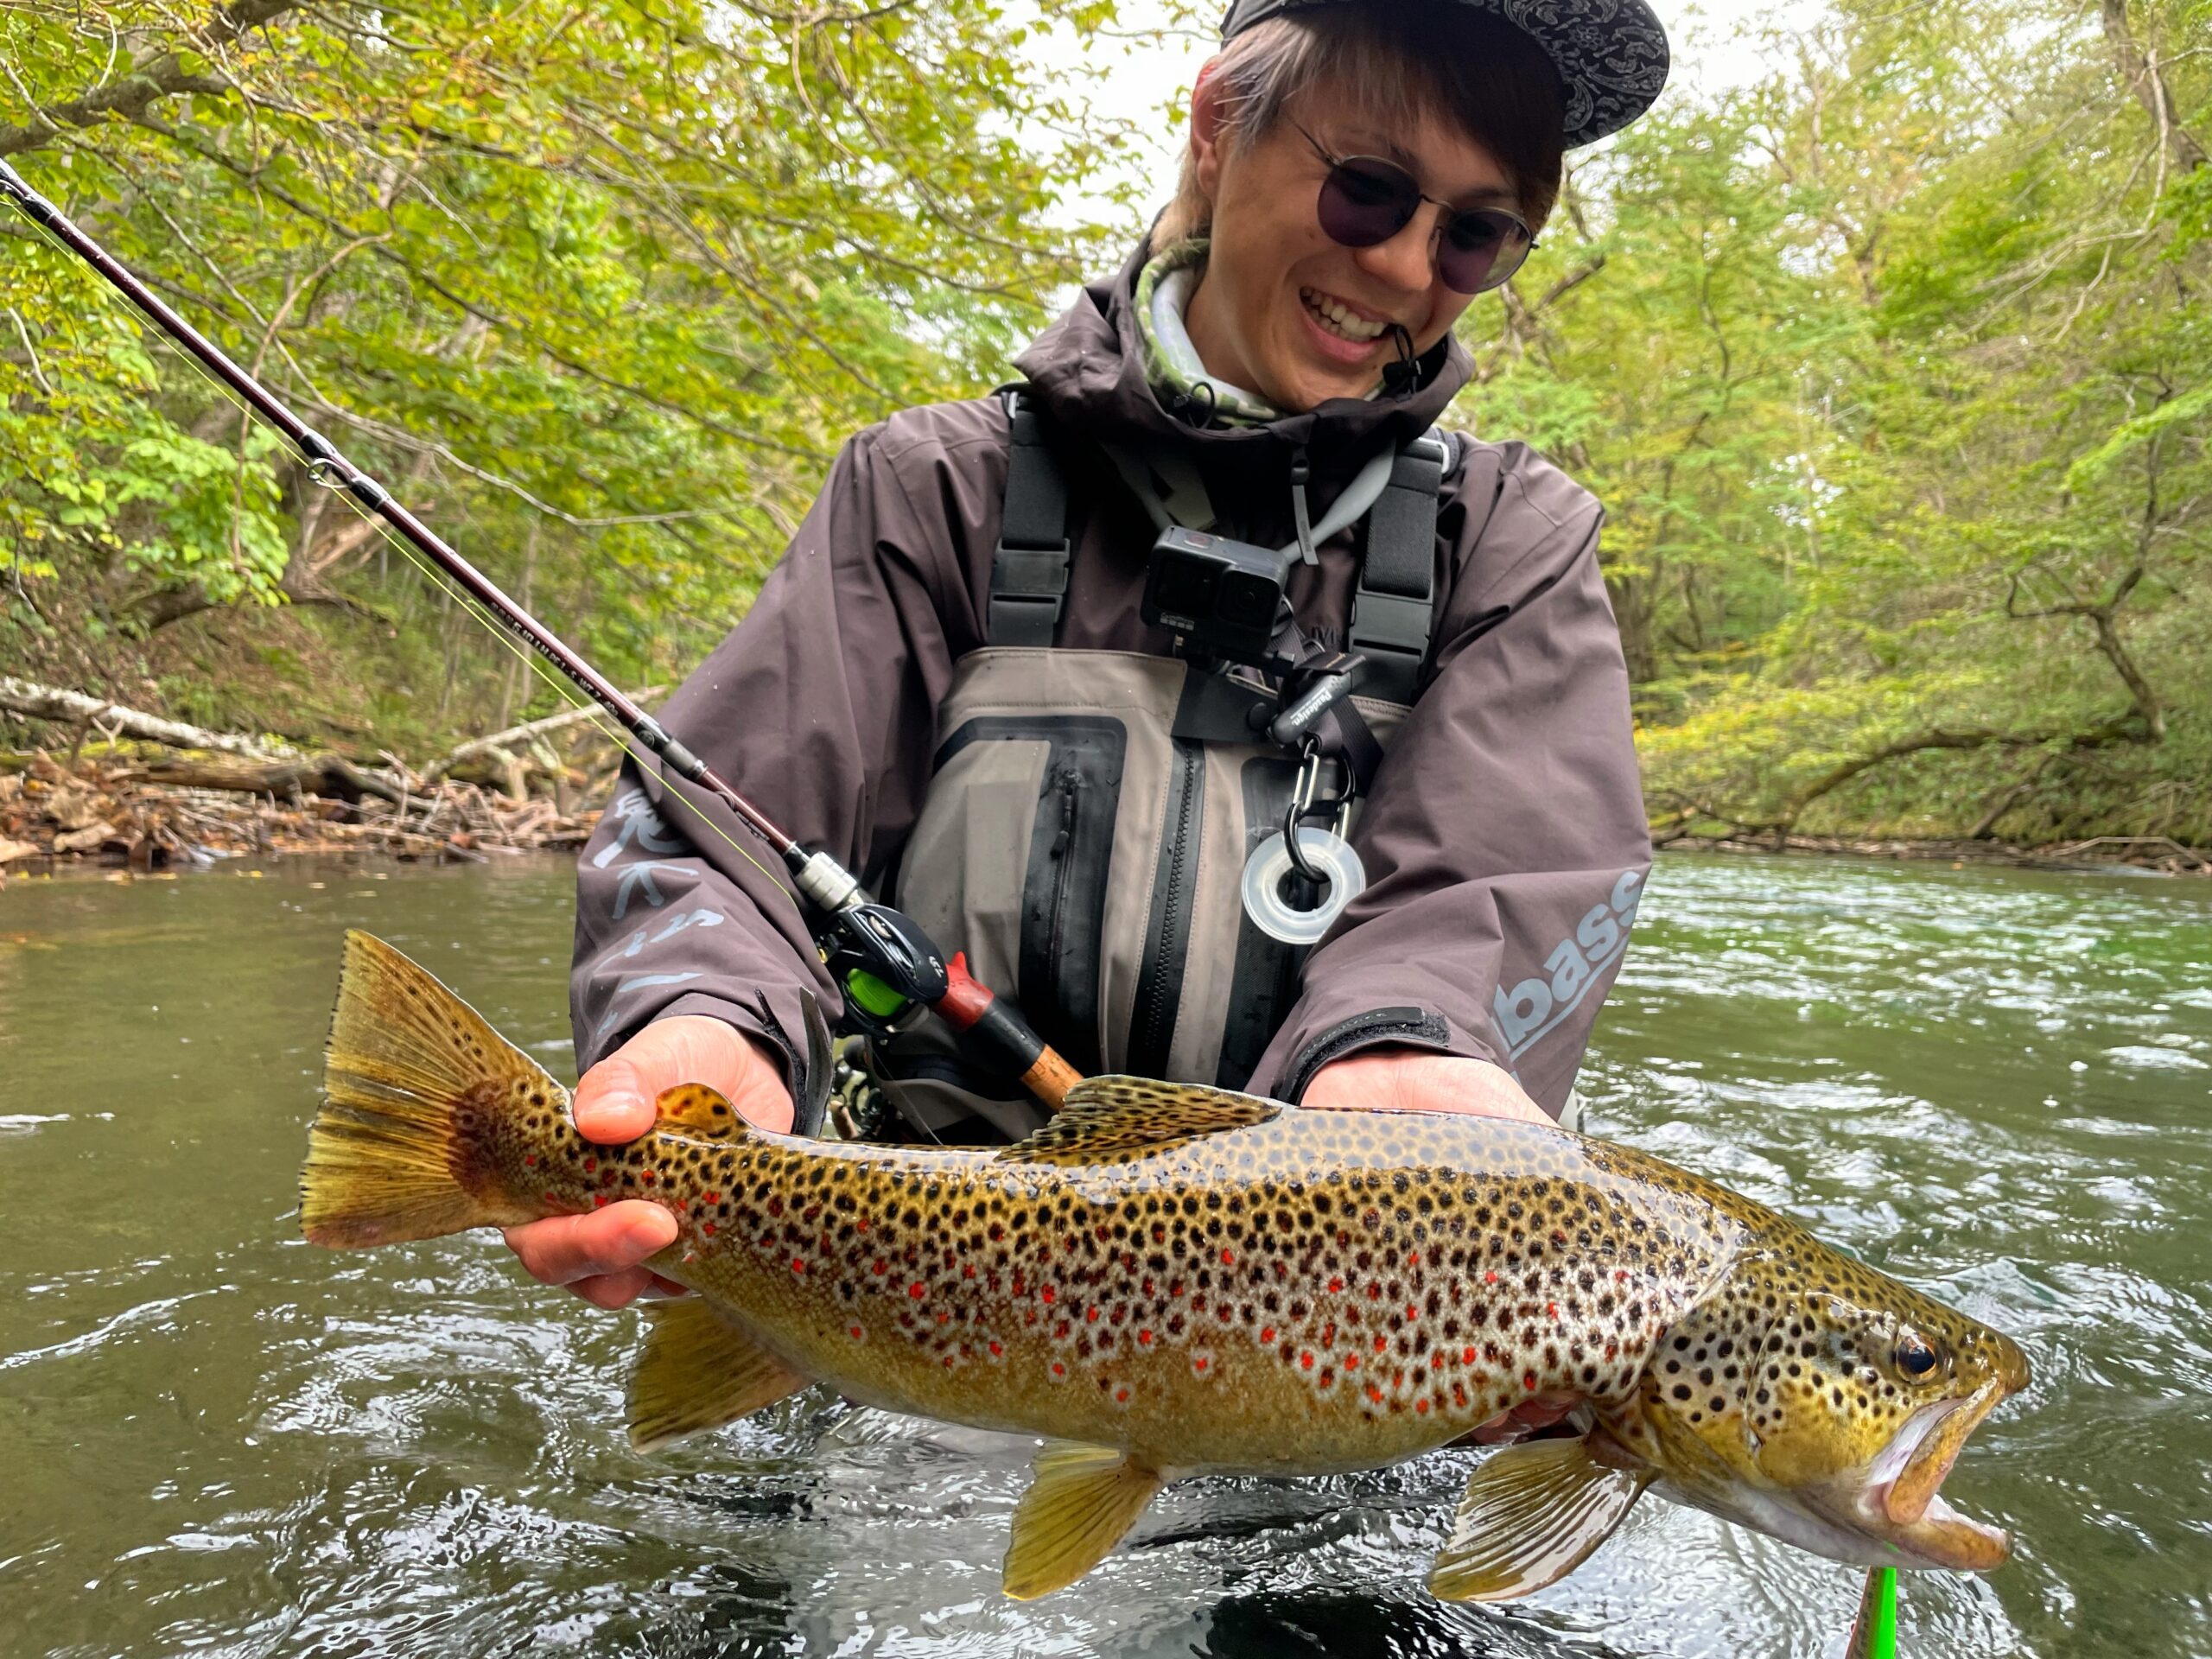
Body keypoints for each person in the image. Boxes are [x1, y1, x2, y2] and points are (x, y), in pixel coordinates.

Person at [505, 0, 1669, 1317]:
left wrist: (1409, 1052)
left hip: (1325, 1304)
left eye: (1473, 233)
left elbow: (1507, 880)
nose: (1406, 267)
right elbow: (728, 834)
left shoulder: (1511, 544)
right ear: (1221, 128)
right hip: (912, 1292)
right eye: (1367, 192)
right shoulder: (936, 492)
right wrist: (699, 1028)